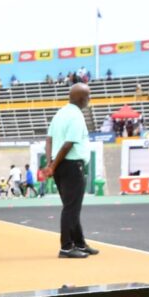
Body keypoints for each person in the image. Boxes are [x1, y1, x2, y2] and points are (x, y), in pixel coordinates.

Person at [44, 83, 98, 258]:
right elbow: (68, 144)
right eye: (88, 97)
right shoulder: (76, 116)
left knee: (71, 207)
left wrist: (50, 162)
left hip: (60, 165)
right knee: (71, 209)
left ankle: (80, 243)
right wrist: (52, 165)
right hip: (72, 165)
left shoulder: (60, 113)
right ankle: (66, 247)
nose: (88, 100)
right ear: (82, 98)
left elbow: (49, 139)